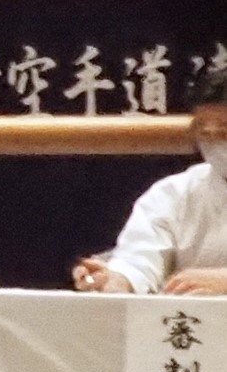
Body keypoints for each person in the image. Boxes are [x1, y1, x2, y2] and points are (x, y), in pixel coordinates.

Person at [74, 54, 227, 294]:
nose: (214, 142)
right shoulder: (175, 194)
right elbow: (139, 260)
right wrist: (116, 279)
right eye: (204, 132)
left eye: (224, 131)